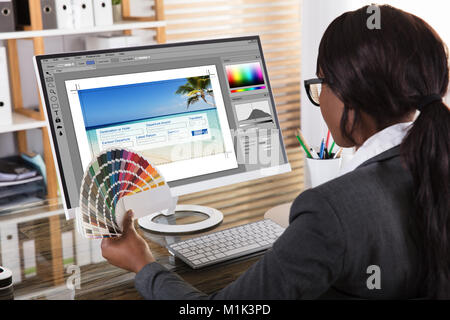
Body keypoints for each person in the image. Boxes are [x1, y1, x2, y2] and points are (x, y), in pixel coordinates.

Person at [101, 5, 450, 299]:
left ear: (350, 97)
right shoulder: (436, 160)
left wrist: (143, 265)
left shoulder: (331, 212)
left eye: (322, 83)